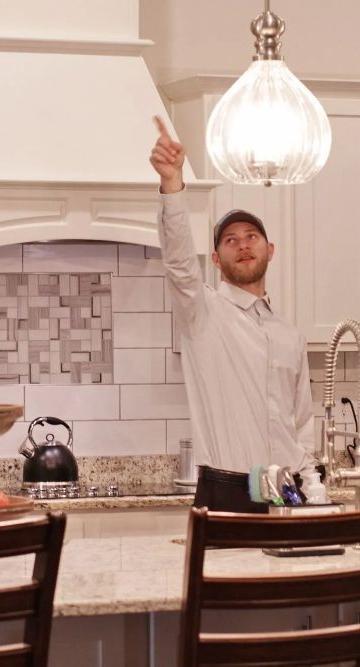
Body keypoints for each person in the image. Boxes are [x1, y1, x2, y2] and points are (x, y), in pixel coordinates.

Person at [148, 116, 315, 511]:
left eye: (251, 237)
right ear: (217, 260)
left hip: (288, 492)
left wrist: (310, 483)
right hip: (227, 493)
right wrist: (172, 185)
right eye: (230, 240)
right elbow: (179, 264)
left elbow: (303, 422)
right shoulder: (203, 313)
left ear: (269, 250)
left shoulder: (289, 334)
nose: (242, 245)